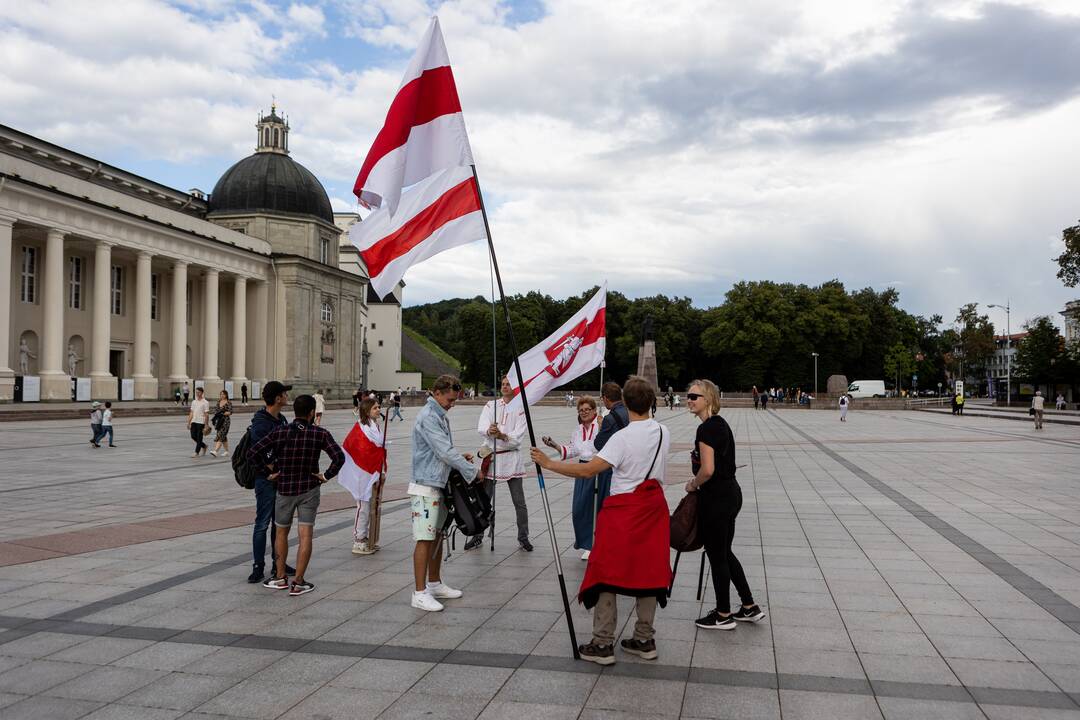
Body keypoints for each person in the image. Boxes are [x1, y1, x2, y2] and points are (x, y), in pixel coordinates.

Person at [531, 376, 671, 665]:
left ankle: (603, 642)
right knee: (650, 571)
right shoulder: (663, 432)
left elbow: (589, 470)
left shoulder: (621, 438)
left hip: (623, 509)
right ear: (652, 402)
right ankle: (644, 638)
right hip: (653, 509)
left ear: (625, 403)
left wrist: (549, 463)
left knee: (605, 571)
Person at [685, 379, 765, 630]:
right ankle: (749, 606)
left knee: (717, 555)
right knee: (725, 552)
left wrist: (693, 484)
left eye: (694, 396)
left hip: (717, 498)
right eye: (688, 395)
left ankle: (722, 614)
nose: (689, 399)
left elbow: (707, 469)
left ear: (708, 399)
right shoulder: (720, 425)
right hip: (731, 494)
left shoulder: (707, 429)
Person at [250, 394, 345, 597]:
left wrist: (268, 473)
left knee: (281, 532)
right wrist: (325, 475)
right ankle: (299, 582)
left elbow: (253, 452)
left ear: (295, 412)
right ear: (312, 412)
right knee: (305, 535)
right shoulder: (320, 434)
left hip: (284, 488)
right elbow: (339, 457)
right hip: (309, 489)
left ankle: (280, 577)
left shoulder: (280, 432)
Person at [409, 374, 477, 612]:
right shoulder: (429, 416)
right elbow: (443, 451)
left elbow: (443, 452)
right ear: (436, 393)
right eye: (450, 399)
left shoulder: (439, 415)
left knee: (437, 535)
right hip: (425, 486)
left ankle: (434, 583)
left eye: (454, 400)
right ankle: (419, 593)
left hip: (437, 483)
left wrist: (459, 459)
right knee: (425, 538)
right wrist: (470, 470)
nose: (452, 404)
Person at [467, 375, 532, 552]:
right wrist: (490, 430)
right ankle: (478, 535)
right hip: (493, 457)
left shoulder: (520, 409)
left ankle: (523, 537)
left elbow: (517, 438)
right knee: (484, 500)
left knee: (519, 501)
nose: (504, 386)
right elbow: (481, 427)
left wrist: (502, 436)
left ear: (514, 387)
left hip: (512, 459)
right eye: (503, 384)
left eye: (508, 384)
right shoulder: (491, 405)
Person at [543, 395, 604, 560]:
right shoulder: (577, 430)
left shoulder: (600, 426)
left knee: (596, 509)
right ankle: (587, 543)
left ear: (594, 410)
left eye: (587, 409)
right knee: (579, 510)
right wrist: (554, 445)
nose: (584, 412)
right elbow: (572, 450)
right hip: (581, 471)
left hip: (597, 470)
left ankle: (595, 545)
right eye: (581, 410)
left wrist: (602, 425)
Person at [246, 381, 293, 584]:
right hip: (265, 480)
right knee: (262, 523)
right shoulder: (261, 422)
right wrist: (269, 471)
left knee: (279, 523)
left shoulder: (281, 419)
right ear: (277, 398)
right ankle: (258, 566)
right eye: (284, 394)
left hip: (280, 479)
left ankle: (278, 562)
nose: (287, 397)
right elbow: (255, 452)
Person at [343, 397, 386, 555]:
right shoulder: (361, 427)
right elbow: (359, 447)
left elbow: (377, 447)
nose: (378, 409)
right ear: (367, 411)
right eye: (375, 408)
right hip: (362, 471)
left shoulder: (375, 426)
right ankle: (358, 539)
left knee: (372, 505)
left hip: (373, 470)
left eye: (379, 407)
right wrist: (376, 450)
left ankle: (369, 536)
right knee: (363, 506)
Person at [187, 388, 210, 458]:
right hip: (194, 420)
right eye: (196, 392)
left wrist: (206, 424)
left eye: (199, 392)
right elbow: (191, 412)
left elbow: (206, 414)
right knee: (193, 436)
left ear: (202, 393)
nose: (197, 394)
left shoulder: (205, 402)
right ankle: (204, 446)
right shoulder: (194, 402)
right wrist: (189, 422)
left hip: (201, 422)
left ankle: (196, 452)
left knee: (199, 437)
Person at [210, 390, 233, 457]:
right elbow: (216, 410)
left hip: (225, 421)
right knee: (223, 436)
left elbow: (230, 412)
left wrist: (223, 413)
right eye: (221, 394)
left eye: (223, 394)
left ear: (226, 395)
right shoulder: (218, 402)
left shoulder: (229, 402)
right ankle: (227, 451)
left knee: (221, 435)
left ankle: (215, 451)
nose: (222, 395)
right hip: (219, 421)